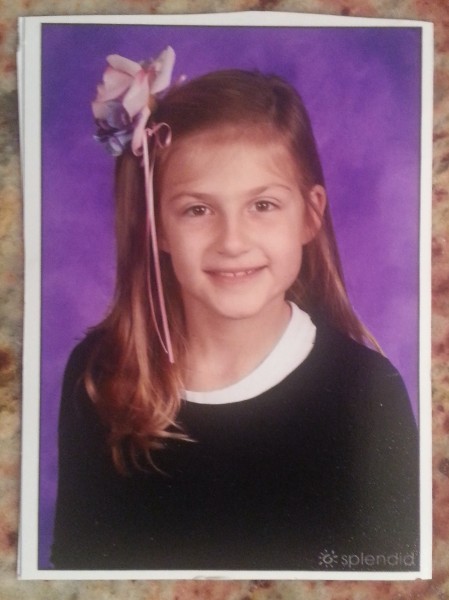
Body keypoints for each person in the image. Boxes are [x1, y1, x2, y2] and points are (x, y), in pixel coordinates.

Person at [51, 47, 419, 571]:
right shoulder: (99, 376)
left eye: (262, 205)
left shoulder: (366, 393)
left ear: (309, 215)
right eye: (198, 209)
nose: (232, 241)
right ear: (156, 227)